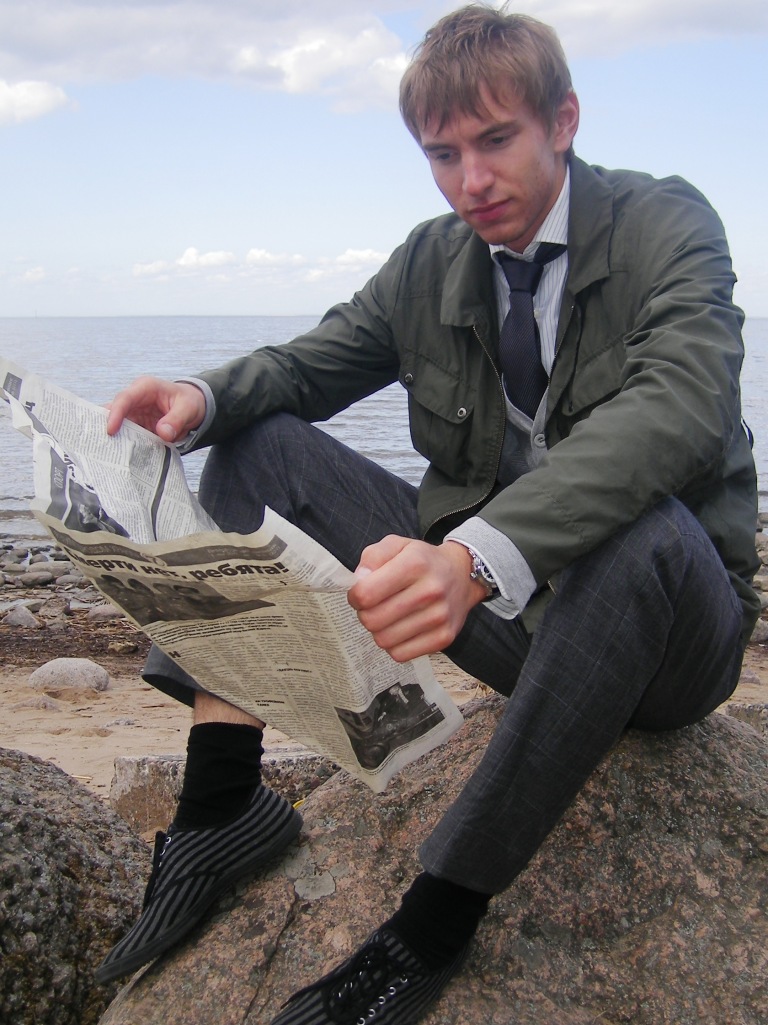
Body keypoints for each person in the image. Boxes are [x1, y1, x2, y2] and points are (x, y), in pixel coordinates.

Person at [95, 4, 760, 1023]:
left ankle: (436, 919)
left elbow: (682, 403)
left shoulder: (667, 224)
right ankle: (222, 800)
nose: (471, 181)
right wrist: (201, 393)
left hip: (673, 635)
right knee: (257, 443)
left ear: (563, 120)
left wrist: (473, 559)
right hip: (522, 626)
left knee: (642, 526)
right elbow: (309, 365)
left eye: (496, 141)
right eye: (443, 155)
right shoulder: (430, 260)